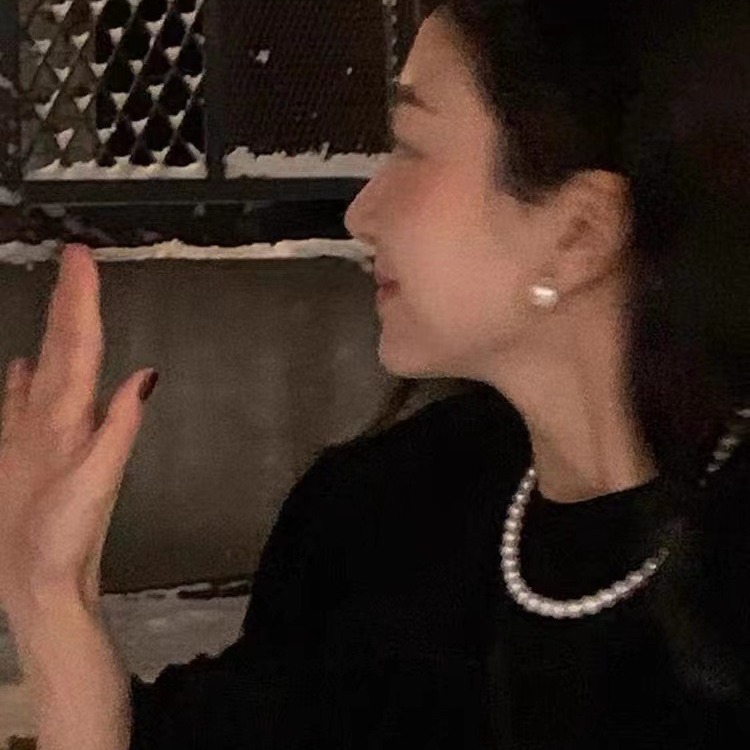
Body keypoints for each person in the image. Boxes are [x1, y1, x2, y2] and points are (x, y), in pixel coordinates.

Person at [1, 0, 748, 748]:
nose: (361, 212)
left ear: (579, 233)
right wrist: (49, 600)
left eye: (411, 147)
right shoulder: (379, 516)